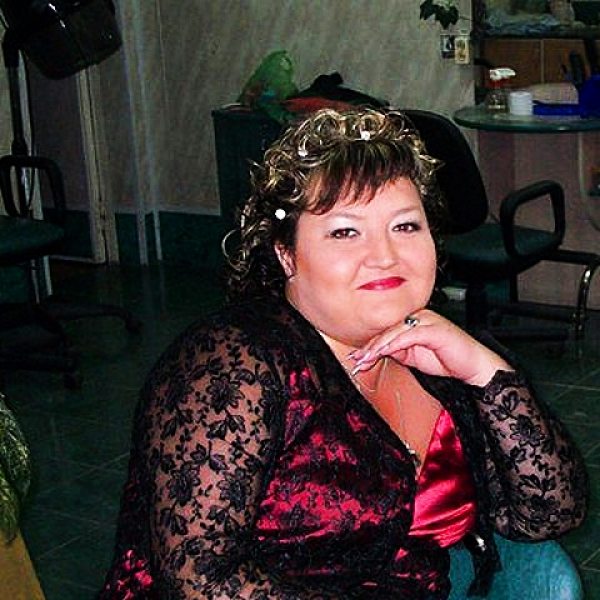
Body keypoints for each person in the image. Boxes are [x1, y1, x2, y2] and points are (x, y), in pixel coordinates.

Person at [99, 108, 587, 599]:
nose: (385, 255)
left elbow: (548, 515)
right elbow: (200, 580)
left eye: (405, 226)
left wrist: (485, 371)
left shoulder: (439, 353)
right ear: (287, 254)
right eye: (345, 232)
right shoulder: (232, 366)